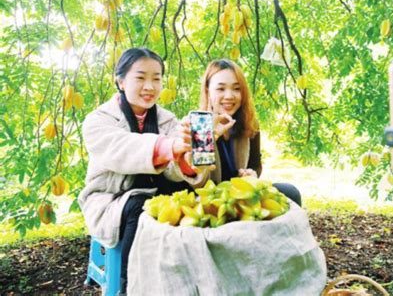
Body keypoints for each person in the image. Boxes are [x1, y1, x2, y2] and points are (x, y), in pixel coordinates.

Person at [78, 48, 210, 294]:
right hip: (112, 199)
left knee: (190, 202)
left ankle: (190, 282)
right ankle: (130, 287)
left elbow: (174, 171)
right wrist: (170, 146)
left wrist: (189, 154)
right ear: (120, 81)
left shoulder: (168, 120)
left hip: (157, 193)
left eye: (157, 78)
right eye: (140, 77)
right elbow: (122, 150)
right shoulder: (99, 120)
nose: (149, 86)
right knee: (141, 205)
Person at [199, 59, 302, 206]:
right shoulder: (199, 125)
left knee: (290, 192)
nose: (229, 96)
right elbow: (196, 180)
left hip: (242, 194)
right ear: (208, 91)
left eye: (236, 88)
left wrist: (251, 174)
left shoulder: (250, 124)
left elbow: (255, 165)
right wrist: (208, 137)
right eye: (221, 89)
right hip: (210, 198)